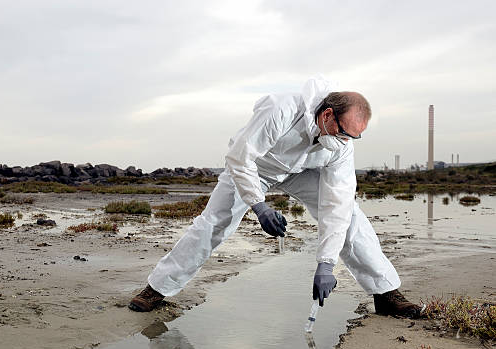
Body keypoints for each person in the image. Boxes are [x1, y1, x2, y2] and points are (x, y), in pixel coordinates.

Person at [129, 77, 424, 318]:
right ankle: (156, 289)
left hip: (301, 172)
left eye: (353, 137)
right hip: (254, 167)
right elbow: (241, 157)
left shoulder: (341, 145)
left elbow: (338, 204)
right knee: (213, 223)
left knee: (351, 219)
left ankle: (386, 295)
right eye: (343, 132)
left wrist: (326, 263)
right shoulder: (281, 109)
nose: (345, 141)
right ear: (326, 114)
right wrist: (258, 206)